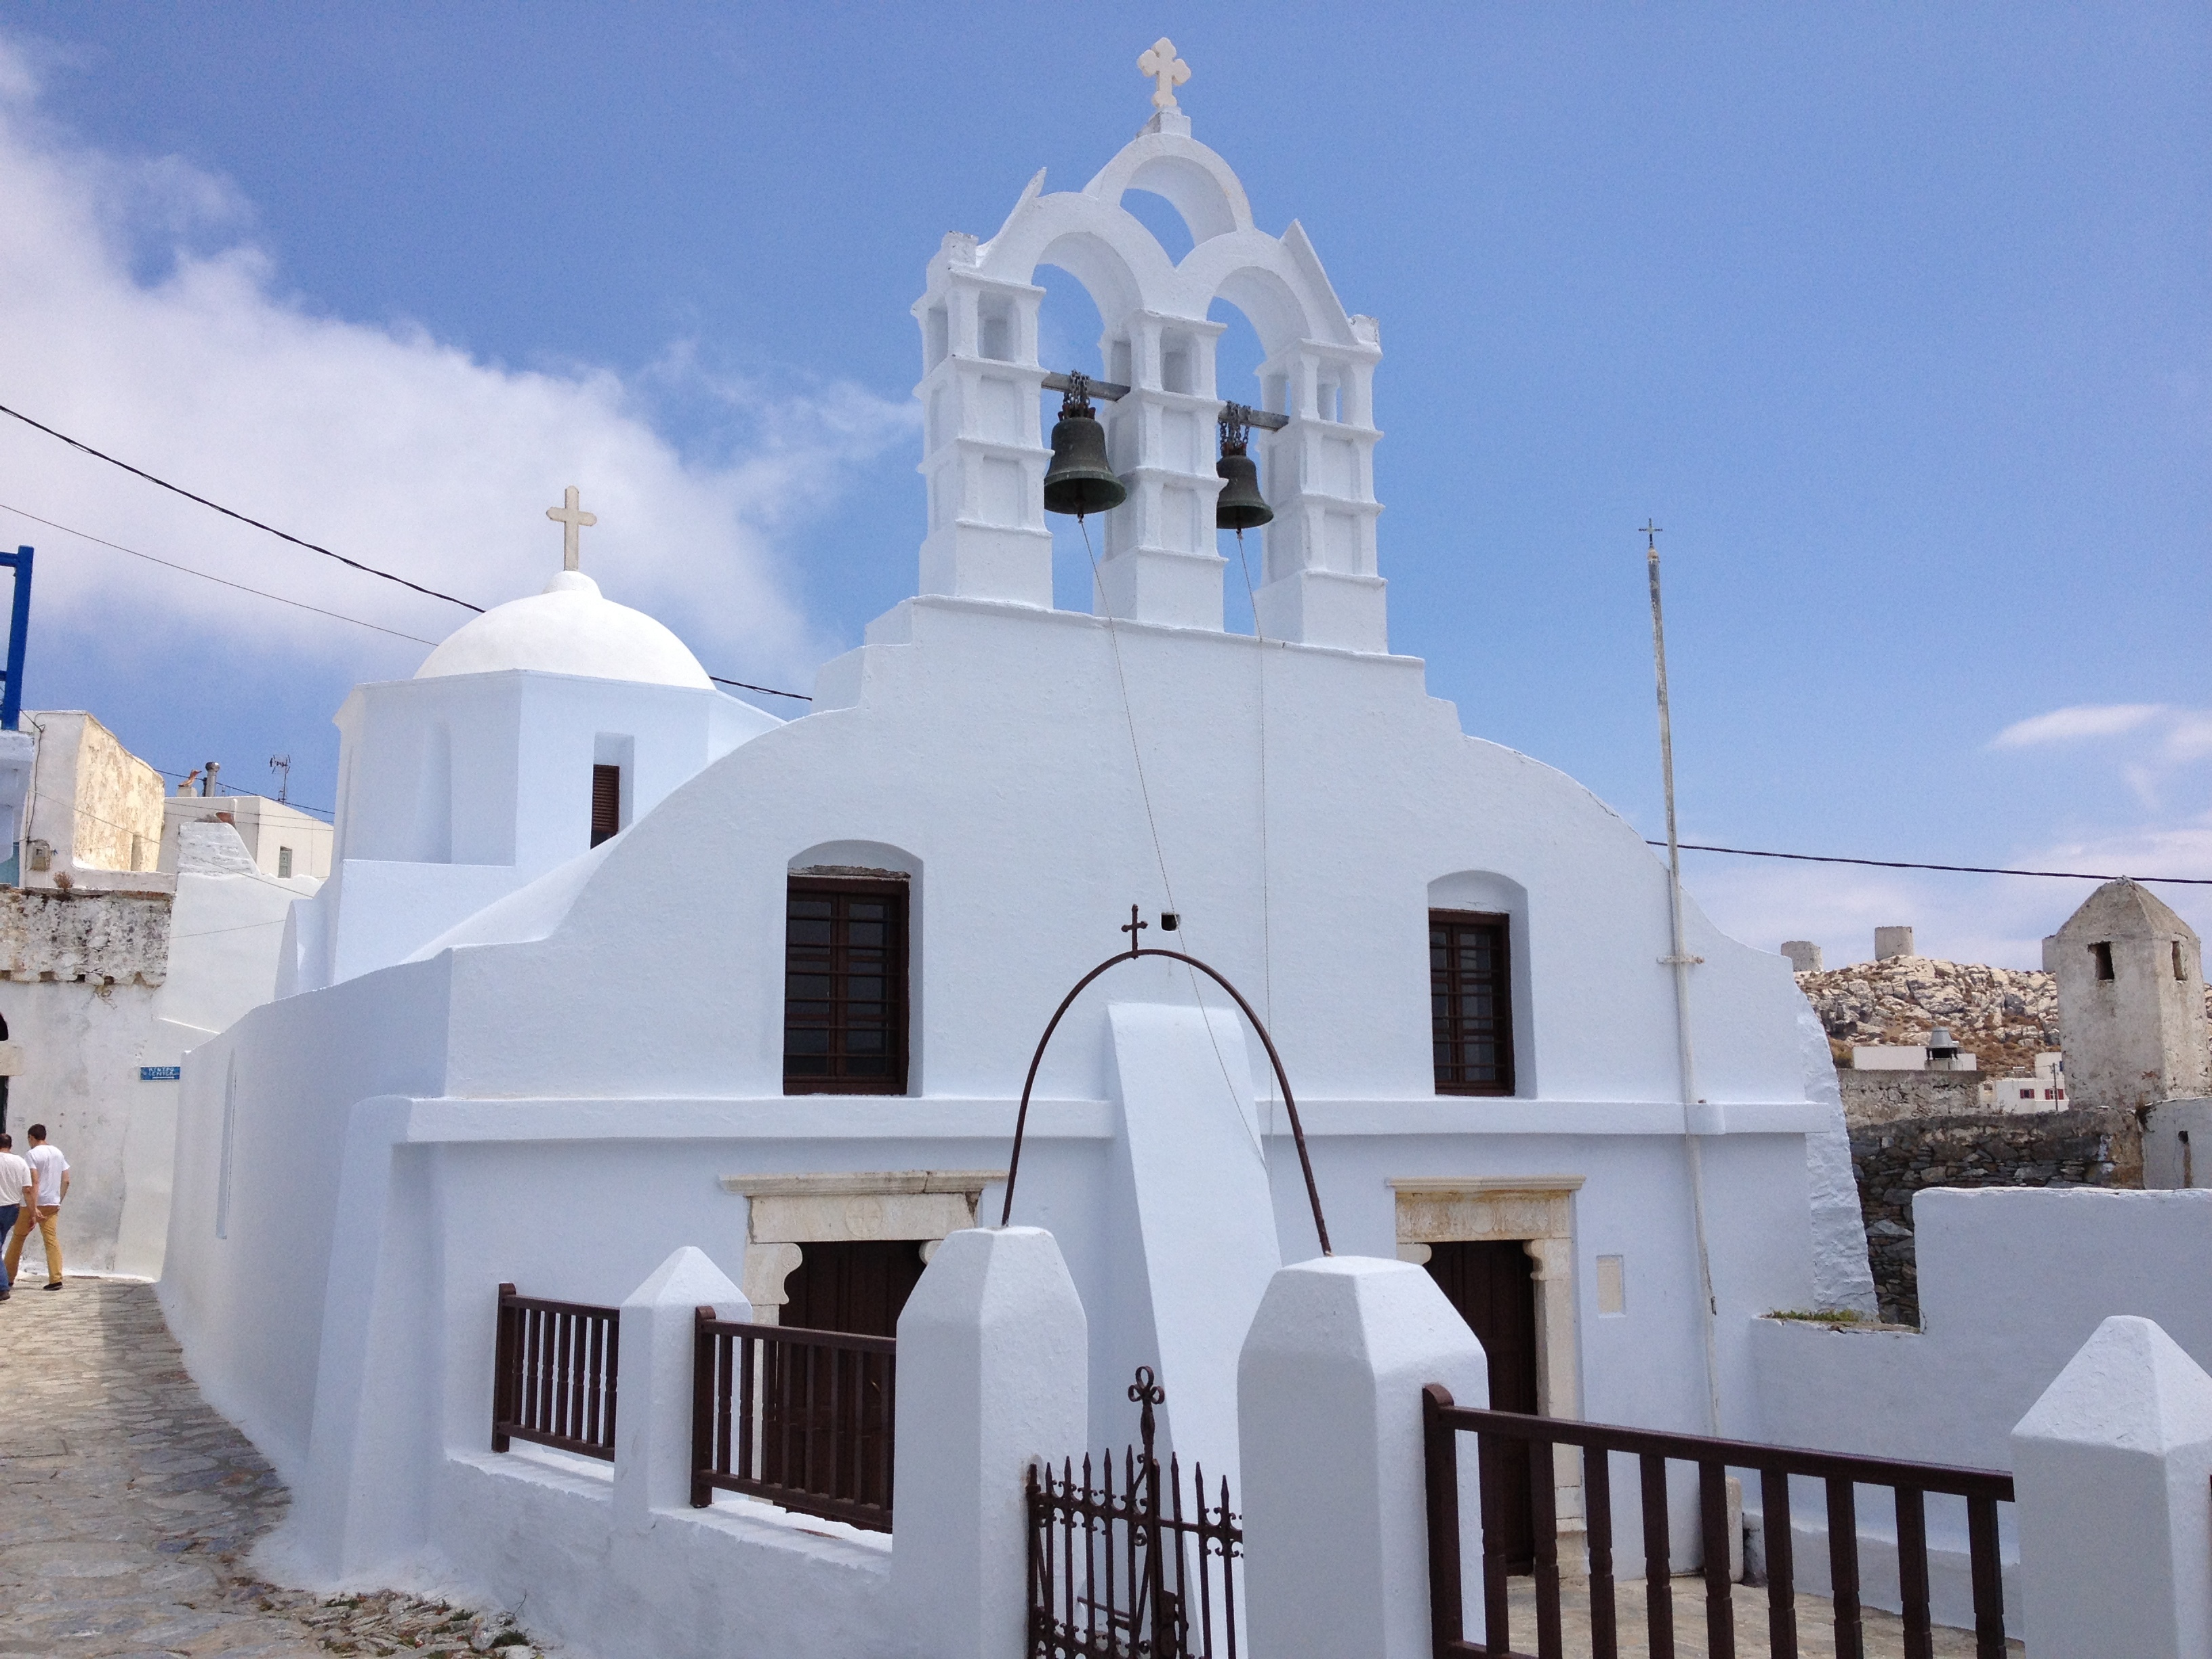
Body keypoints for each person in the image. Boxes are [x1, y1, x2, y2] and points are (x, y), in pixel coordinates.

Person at [3, 1123, 66, 1290]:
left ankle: (8, 1277)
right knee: (51, 1239)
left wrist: (33, 1209)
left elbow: (34, 1180)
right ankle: (56, 1278)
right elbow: (66, 1179)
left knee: (18, 1237)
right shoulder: (58, 1153)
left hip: (33, 1203)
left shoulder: (32, 1154)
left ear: (32, 1137)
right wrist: (59, 1199)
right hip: (52, 1203)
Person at [0, 1132, 27, 1301]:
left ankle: (3, 1286)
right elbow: (28, 1189)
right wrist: (32, 1210)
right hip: (13, 1209)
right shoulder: (20, 1162)